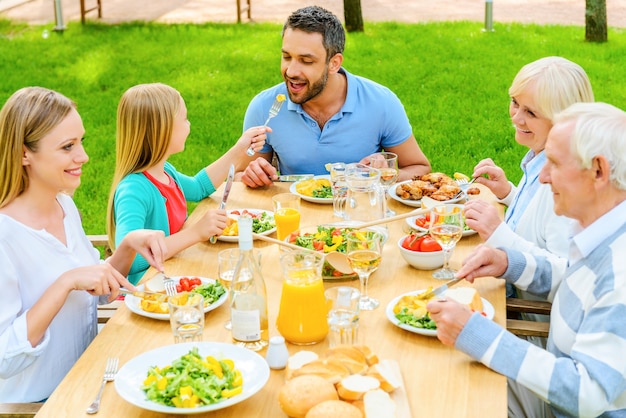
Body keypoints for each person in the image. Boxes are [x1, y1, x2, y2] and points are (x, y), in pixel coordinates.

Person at [428, 102, 626, 417]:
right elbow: (576, 281)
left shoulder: (620, 272)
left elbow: (587, 395)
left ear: (599, 171)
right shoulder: (604, 231)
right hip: (553, 390)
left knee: (443, 395)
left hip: (565, 407)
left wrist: (480, 335)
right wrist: (511, 263)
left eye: (554, 163)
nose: (543, 177)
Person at [0, 87, 167, 403]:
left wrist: (128, 246)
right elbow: (4, 358)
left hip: (90, 380)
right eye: (67, 147)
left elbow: (97, 289)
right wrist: (64, 284)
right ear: (24, 153)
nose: (83, 156)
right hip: (41, 403)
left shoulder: (64, 206)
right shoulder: (5, 238)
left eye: (80, 142)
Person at [463, 57, 594, 340]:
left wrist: (497, 233)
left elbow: (566, 275)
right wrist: (509, 193)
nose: (516, 117)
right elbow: (539, 223)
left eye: (531, 113)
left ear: (564, 121)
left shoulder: (563, 184)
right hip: (510, 300)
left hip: (531, 327)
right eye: (514, 103)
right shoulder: (542, 158)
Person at [238, 5, 431, 188]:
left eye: (306, 61)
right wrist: (251, 176)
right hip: (293, 216)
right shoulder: (264, 107)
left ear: (334, 63)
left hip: (359, 217)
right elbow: (238, 176)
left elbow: (420, 169)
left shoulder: (381, 103)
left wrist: (389, 172)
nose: (291, 71)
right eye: (287, 57)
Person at [107, 83, 268, 284]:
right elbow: (130, 259)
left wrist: (239, 150)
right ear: (162, 130)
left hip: (174, 276)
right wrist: (195, 233)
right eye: (184, 119)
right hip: (148, 293)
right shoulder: (134, 190)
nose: (189, 124)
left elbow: (200, 187)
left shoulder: (166, 172)